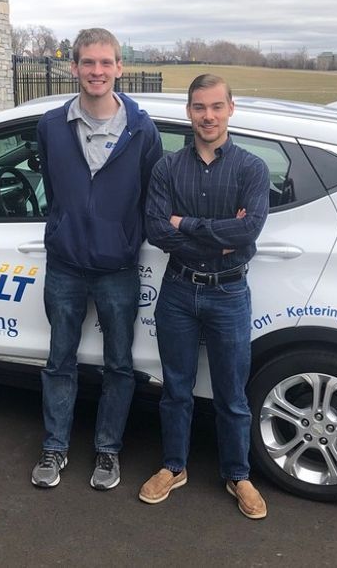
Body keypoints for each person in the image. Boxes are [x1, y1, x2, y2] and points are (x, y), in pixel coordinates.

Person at [31, 28, 163, 490]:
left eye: (106, 63)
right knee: (59, 362)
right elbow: (53, 186)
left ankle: (108, 452)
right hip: (65, 265)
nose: (97, 71)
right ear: (74, 67)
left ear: (119, 68)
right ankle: (55, 446)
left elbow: (151, 196)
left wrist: (126, 237)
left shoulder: (143, 130)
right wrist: (63, 228)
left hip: (118, 269)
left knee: (119, 366)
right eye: (88, 63)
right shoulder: (50, 125)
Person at [139, 74, 270, 519]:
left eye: (216, 107)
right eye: (199, 107)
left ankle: (238, 475)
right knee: (175, 388)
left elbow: (248, 230)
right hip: (177, 290)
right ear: (188, 112)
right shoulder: (167, 168)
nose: (208, 116)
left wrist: (186, 224)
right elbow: (156, 230)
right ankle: (174, 467)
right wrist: (217, 233)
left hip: (229, 293)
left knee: (231, 393)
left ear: (231, 108)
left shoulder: (252, 168)